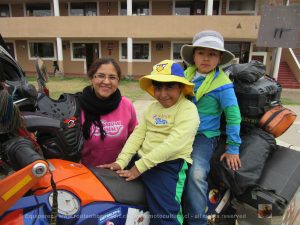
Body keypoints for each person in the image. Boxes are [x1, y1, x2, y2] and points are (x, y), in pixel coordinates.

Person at [101, 60, 200, 225]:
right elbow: (137, 135)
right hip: (142, 161)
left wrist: (139, 168)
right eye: (158, 87)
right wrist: (122, 161)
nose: (162, 94)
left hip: (168, 166)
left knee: (165, 215)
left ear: (181, 87)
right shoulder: (152, 108)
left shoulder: (188, 110)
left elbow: (173, 144)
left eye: (169, 87)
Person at [180, 30, 242, 225]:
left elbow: (233, 117)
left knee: (196, 174)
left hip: (204, 136)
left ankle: (197, 221)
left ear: (220, 58)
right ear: (194, 56)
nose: (206, 58)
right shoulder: (184, 76)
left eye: (212, 54)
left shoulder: (223, 85)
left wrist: (233, 148)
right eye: (201, 53)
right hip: (180, 130)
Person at [78, 58, 138, 167]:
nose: (106, 81)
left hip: (119, 174)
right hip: (86, 174)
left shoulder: (126, 105)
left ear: (118, 81)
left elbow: (135, 139)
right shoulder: (77, 106)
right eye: (101, 76)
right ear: (92, 78)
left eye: (112, 77)